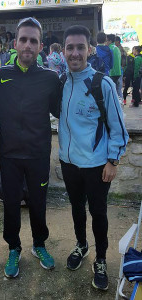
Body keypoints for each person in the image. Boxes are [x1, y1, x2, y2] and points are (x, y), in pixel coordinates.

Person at [59, 25, 128, 291]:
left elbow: (118, 127)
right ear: (63, 51)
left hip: (97, 165)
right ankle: (81, 245)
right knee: (77, 209)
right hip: (69, 163)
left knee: (98, 212)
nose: (75, 53)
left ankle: (100, 259)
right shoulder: (62, 83)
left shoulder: (103, 83)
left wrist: (113, 161)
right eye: (70, 47)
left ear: (90, 49)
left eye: (80, 47)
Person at [0, 17, 61, 278]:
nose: (28, 45)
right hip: (9, 155)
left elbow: (62, 112)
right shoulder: (0, 76)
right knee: (11, 203)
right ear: (15, 43)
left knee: (38, 203)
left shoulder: (51, 78)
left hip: (38, 154)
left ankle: (39, 245)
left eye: (33, 41)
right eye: (23, 39)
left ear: (41, 46)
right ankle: (13, 248)